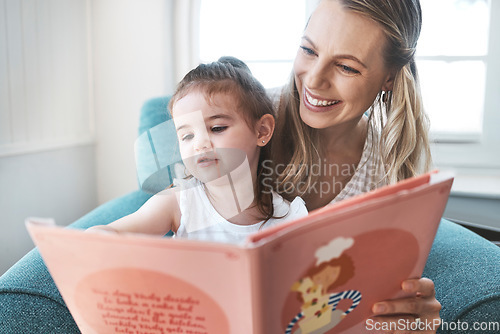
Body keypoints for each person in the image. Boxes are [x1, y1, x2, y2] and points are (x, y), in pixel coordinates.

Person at [270, 0, 441, 331]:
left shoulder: (388, 172)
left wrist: (410, 318)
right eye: (308, 50)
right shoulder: (243, 121)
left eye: (346, 67)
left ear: (388, 78)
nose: (314, 80)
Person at [88, 56, 307, 243]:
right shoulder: (178, 202)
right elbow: (111, 233)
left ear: (261, 131)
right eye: (187, 136)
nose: (200, 144)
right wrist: (97, 237)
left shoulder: (289, 216)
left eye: (217, 128)